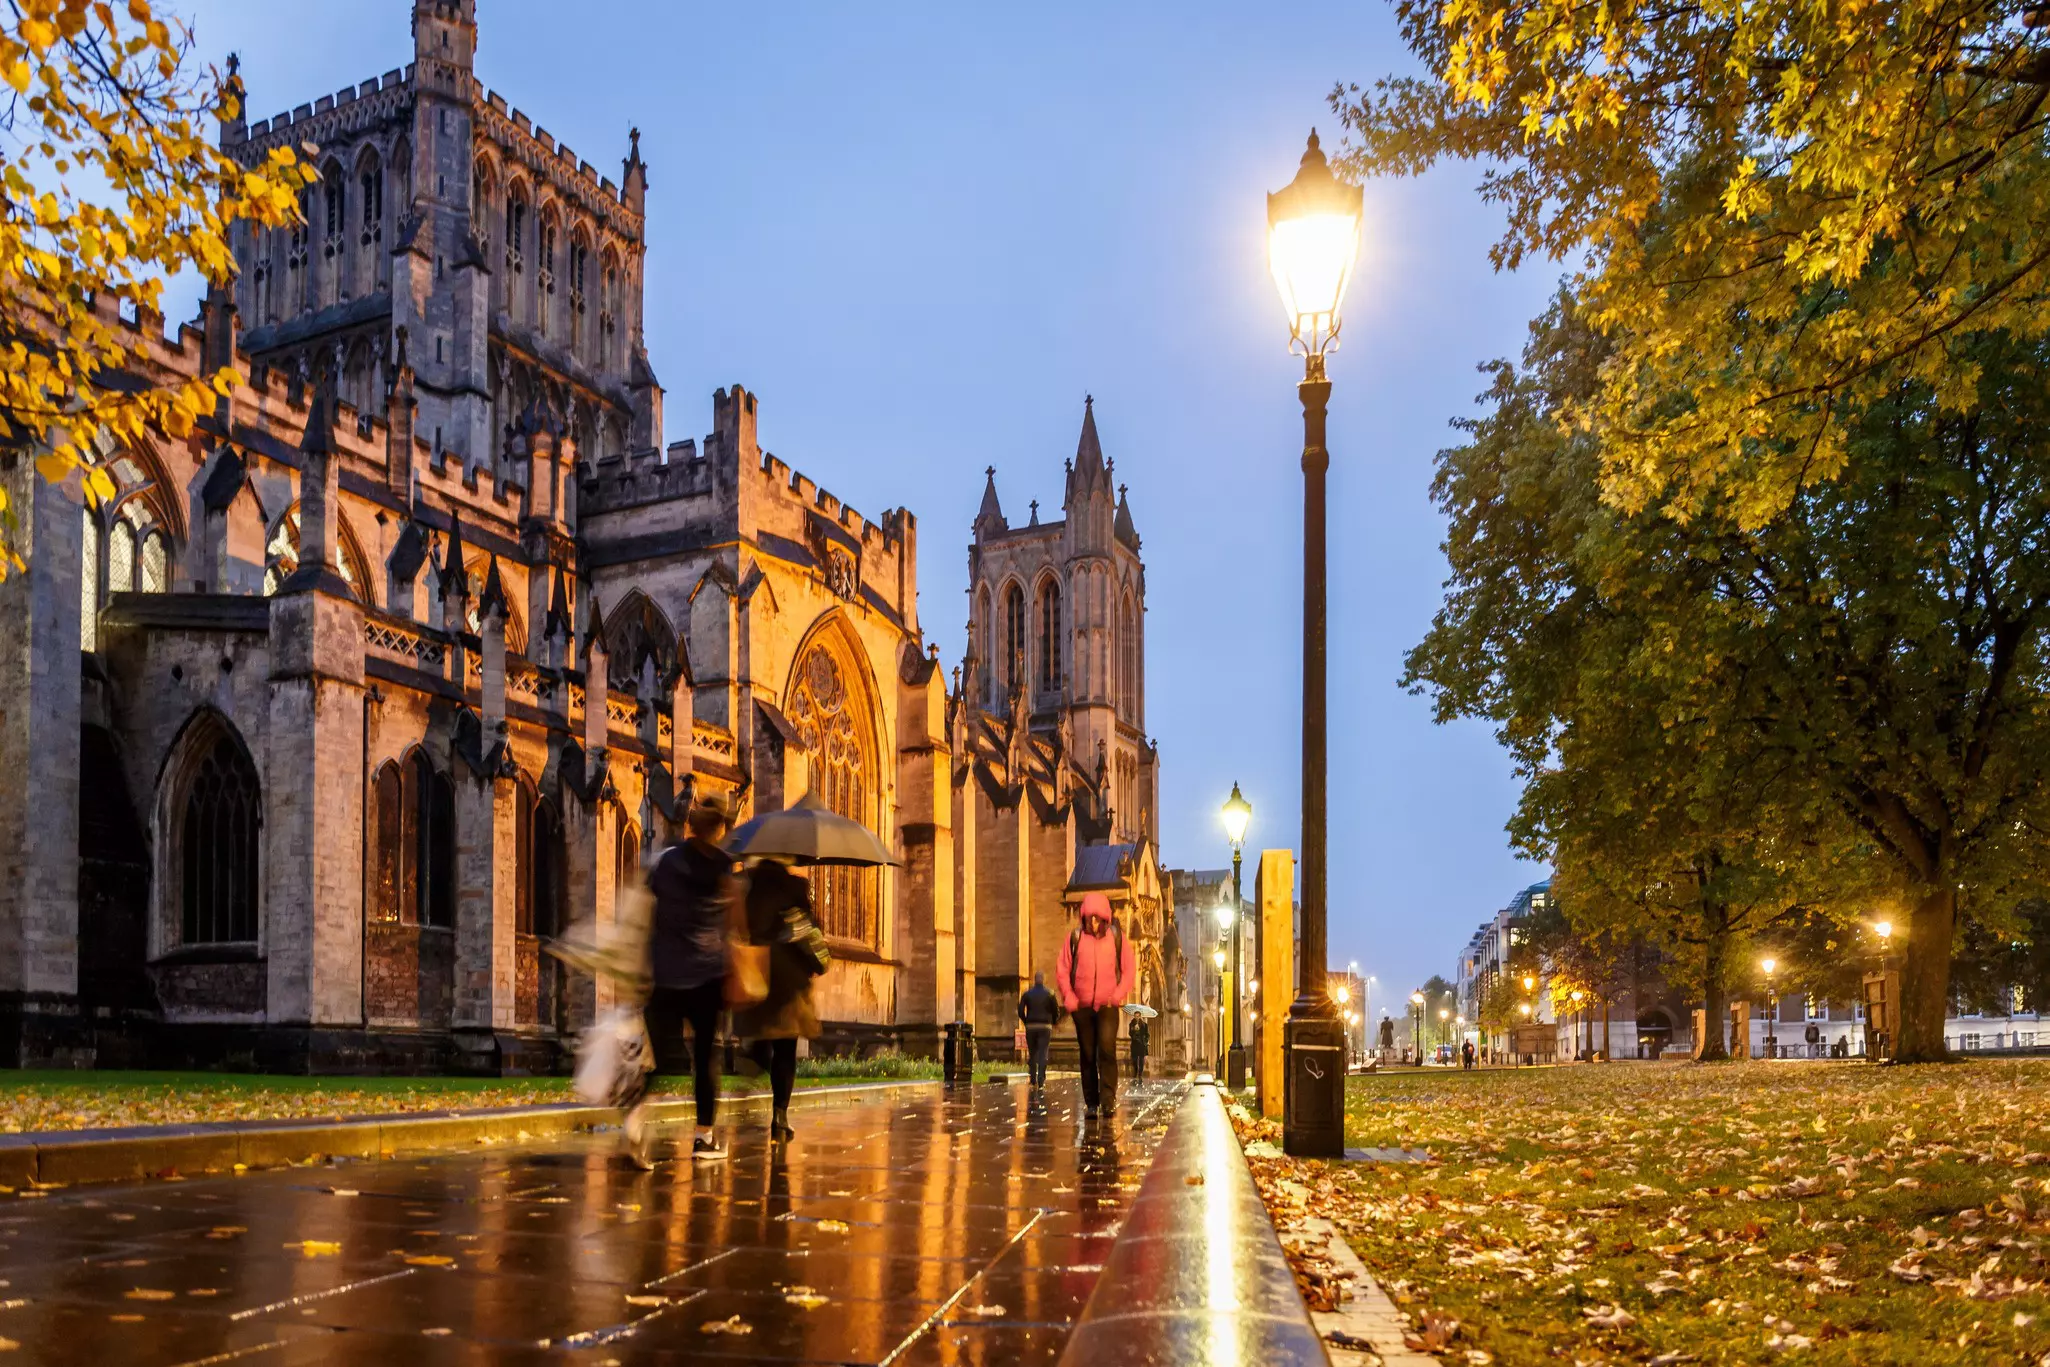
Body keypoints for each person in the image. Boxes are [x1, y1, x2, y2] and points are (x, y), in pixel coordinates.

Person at [632, 794, 736, 1167]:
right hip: (707, 976)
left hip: (665, 971)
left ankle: (634, 1117)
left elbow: (649, 908)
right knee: (707, 1058)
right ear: (720, 828)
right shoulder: (724, 867)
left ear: (691, 824)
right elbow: (735, 923)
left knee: (660, 1058)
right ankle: (703, 1139)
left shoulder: (667, 860)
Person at [735, 857, 831, 1142]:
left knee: (761, 1038)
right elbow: (814, 929)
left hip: (759, 974)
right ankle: (780, 1117)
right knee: (786, 1052)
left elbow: (741, 930)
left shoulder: (747, 886)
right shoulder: (797, 887)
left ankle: (754, 1056)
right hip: (791, 980)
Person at [1055, 892, 1135, 1119]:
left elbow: (1129, 968)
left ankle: (1108, 1101)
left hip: (1108, 1005)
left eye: (1097, 918)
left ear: (1105, 918)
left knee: (1107, 1051)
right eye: (1089, 917)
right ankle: (1091, 1103)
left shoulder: (1116, 937)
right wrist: (1069, 997)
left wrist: (1118, 994)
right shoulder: (1076, 938)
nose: (1093, 922)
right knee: (1088, 1055)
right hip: (1082, 1007)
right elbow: (1062, 969)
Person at [1018, 972, 1059, 1089]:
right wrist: (1054, 1021)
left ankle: (1032, 1078)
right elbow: (1055, 1010)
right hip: (1045, 1026)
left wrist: (1026, 1021)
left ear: (1034, 980)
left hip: (1031, 1026)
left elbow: (1020, 1010)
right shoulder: (1050, 993)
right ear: (1043, 980)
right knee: (1043, 1052)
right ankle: (1041, 1079)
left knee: (1032, 1053)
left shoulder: (1027, 994)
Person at [1128, 1015, 1150, 1080]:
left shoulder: (1144, 1025)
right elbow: (1130, 1033)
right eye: (1135, 1016)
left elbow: (1147, 1034)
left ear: (1140, 1016)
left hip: (1142, 1044)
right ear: (1134, 1016)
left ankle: (1140, 1074)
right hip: (1134, 1043)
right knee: (1134, 1059)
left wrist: (1146, 1040)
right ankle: (1135, 1071)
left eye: (1138, 1016)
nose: (1137, 1017)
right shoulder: (1131, 1024)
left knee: (1141, 1060)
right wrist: (1133, 1029)